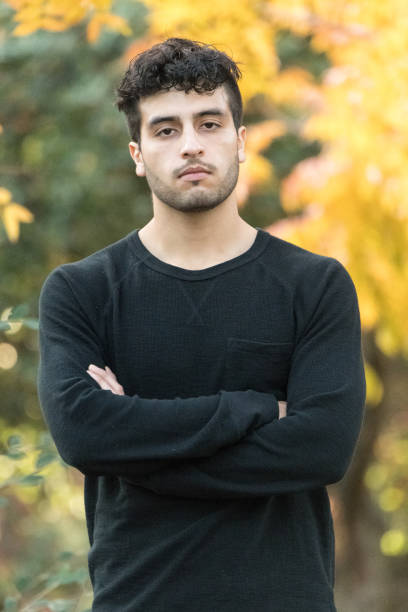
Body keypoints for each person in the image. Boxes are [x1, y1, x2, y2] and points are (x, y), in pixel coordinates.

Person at [37, 37, 366, 612]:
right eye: (166, 130)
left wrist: (135, 451)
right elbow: (85, 434)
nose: (191, 145)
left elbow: (322, 449)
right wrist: (256, 409)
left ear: (240, 142)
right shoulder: (81, 291)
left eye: (209, 123)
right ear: (137, 154)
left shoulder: (316, 285)